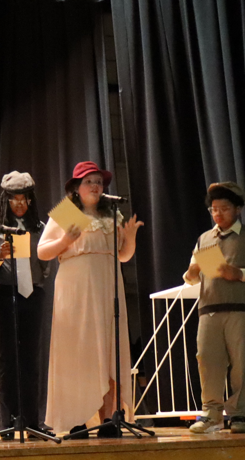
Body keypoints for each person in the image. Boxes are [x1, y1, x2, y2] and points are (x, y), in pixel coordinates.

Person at [37, 161, 143, 438]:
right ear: (76, 187)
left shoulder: (112, 214)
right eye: (89, 182)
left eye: (99, 181)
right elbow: (42, 252)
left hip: (108, 288)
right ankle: (76, 419)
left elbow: (122, 256)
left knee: (108, 350)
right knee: (79, 352)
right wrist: (65, 241)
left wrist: (129, 239)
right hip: (76, 291)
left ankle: (108, 418)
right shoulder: (66, 212)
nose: (96, 186)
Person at [184, 182, 245, 434]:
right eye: (214, 209)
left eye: (224, 208)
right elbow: (190, 278)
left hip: (243, 308)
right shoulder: (205, 239)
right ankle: (211, 413)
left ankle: (240, 414)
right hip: (210, 308)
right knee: (207, 361)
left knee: (242, 363)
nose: (218, 214)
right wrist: (193, 270)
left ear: (238, 209)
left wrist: (239, 273)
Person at [0, 172, 52, 439]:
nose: (20, 205)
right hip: (5, 293)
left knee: (30, 360)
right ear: (6, 199)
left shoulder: (39, 227)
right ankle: (9, 421)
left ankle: (32, 420)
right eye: (14, 199)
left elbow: (45, 264)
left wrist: (36, 282)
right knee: (7, 359)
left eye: (24, 199)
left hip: (33, 295)